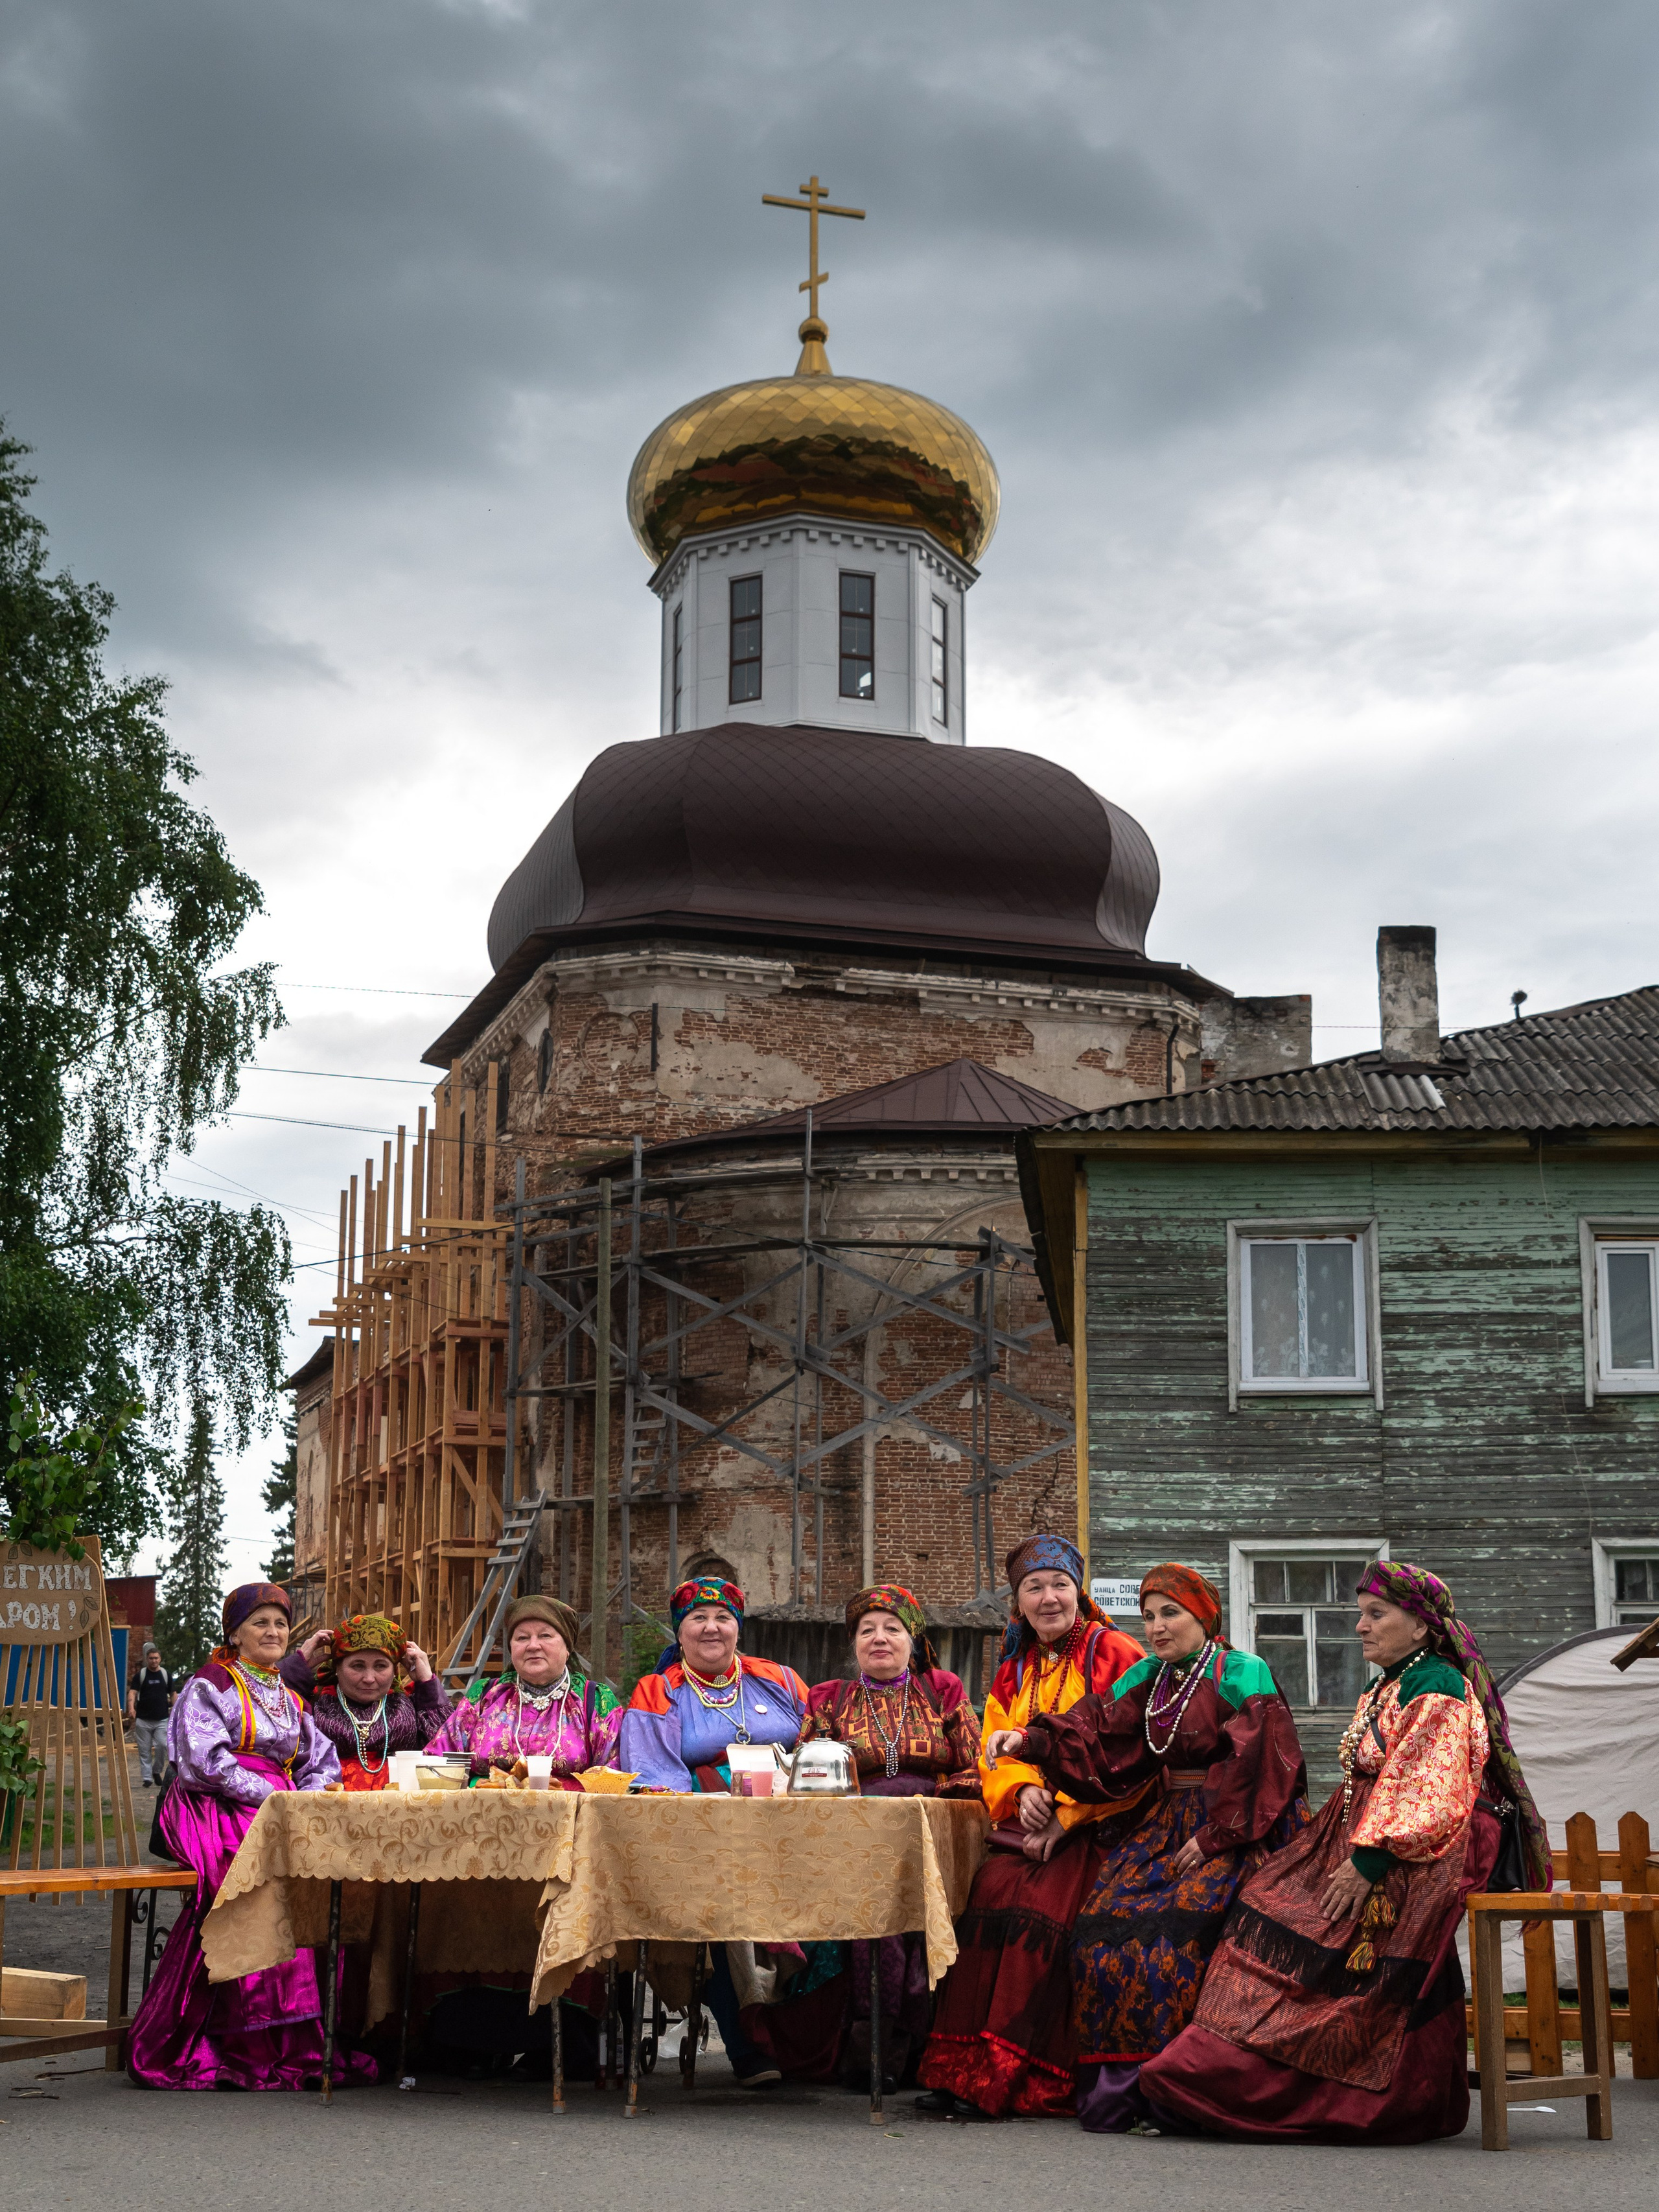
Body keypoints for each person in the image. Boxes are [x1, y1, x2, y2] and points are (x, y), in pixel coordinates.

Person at [1141, 1559, 1551, 2144]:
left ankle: (1324, 2093)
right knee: (1264, 1901)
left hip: (1417, 1844)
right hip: (1369, 1830)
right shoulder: (1389, 1680)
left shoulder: (1434, 1685)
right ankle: (1219, 2071)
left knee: (1336, 1940)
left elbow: (1425, 1787)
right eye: (1361, 1613)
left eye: (1375, 1614)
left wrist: (1368, 1861)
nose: (1359, 1627)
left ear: (1421, 1626)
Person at [988, 1564, 1308, 2132]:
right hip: (1167, 1823)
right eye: (1150, 1616)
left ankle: (1178, 2094)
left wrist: (1213, 1837)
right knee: (1100, 1928)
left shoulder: (1241, 1670)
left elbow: (1263, 1764)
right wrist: (1030, 1739)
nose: (1158, 1627)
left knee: (1179, 1936)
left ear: (1204, 1616)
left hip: (1235, 1828)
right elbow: (1095, 1727)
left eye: (1171, 1614)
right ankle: (1124, 2096)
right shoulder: (1150, 1677)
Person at [914, 1534, 1144, 2119]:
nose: (1049, 1598)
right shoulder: (1017, 1664)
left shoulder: (1113, 1651)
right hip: (1030, 1822)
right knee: (988, 1893)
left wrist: (1064, 1809)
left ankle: (1009, 2075)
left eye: (1059, 1585)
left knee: (1038, 1908)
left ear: (1079, 1592)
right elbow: (994, 1747)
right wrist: (1022, 1791)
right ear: (1018, 1602)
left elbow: (1131, 1748)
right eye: (1034, 1587)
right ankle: (958, 2068)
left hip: (1101, 1822)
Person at [126, 1582, 375, 2091]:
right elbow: (202, 1761)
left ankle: (301, 2039)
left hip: (277, 1803)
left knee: (323, 1872)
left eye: (280, 1623)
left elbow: (320, 1759)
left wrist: (304, 1796)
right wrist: (272, 1796)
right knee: (257, 1873)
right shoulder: (211, 1682)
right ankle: (237, 2037)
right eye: (260, 1622)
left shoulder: (286, 1693)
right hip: (213, 1802)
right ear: (235, 1632)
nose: (272, 1631)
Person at [739, 1584, 984, 2089]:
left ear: (913, 1640)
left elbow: (978, 1766)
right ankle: (879, 2043)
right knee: (881, 1918)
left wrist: (926, 1799)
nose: (879, 1638)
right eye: (867, 1630)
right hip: (851, 1839)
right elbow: (805, 1775)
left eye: (892, 1628)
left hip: (931, 1831)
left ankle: (895, 2044)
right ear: (853, 1643)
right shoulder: (830, 1697)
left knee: (907, 1918)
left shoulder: (944, 1689)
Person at [620, 1575, 810, 2086]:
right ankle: (749, 2043)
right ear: (679, 1632)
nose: (711, 1627)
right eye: (697, 1619)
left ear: (738, 1629)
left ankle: (809, 2044)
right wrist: (720, 1814)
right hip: (706, 1835)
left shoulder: (780, 1680)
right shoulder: (657, 1690)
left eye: (723, 1617)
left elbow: (820, 1744)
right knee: (731, 1903)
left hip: (792, 1828)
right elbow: (652, 1775)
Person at [424, 1596, 619, 1780]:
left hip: (566, 1813)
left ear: (568, 1648)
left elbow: (613, 1777)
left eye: (545, 1636)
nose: (533, 1646)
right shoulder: (485, 1695)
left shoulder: (595, 1700)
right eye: (522, 1638)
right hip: (485, 1810)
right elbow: (439, 1760)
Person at [278, 1612, 452, 1789]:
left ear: (395, 1669)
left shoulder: (408, 1705)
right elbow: (271, 1714)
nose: (369, 1678)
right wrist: (298, 1666)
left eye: (381, 1666)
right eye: (358, 1666)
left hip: (400, 1807)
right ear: (337, 1667)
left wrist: (426, 1682)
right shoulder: (314, 1701)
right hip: (329, 1806)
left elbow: (446, 1748)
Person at [126, 1642, 176, 1787]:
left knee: (162, 1746)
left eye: (156, 1658)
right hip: (143, 1719)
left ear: (160, 1659)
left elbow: (173, 1693)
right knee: (144, 1749)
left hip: (161, 1719)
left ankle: (157, 1771)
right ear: (147, 1659)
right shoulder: (141, 1675)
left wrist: (176, 1708)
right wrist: (131, 1708)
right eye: (151, 1658)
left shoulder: (165, 1675)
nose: (154, 1661)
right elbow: (133, 1692)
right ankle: (147, 1778)